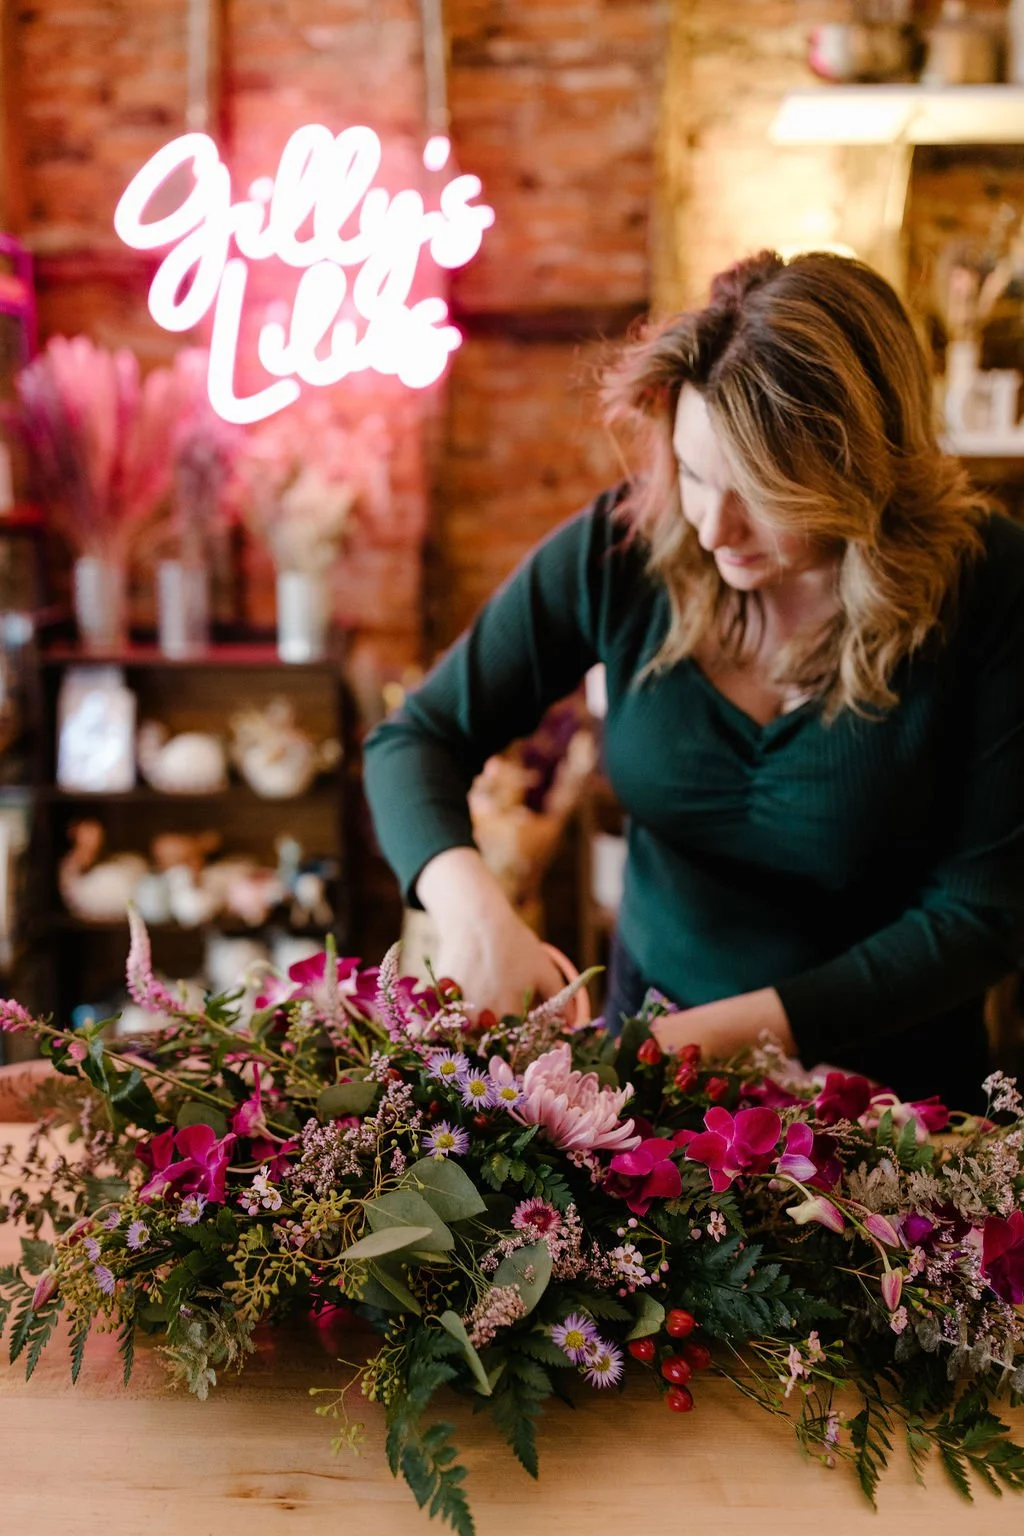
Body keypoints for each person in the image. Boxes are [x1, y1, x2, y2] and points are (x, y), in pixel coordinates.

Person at [363, 249, 1024, 1108]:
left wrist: (692, 1040)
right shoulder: (625, 549)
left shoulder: (990, 588)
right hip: (652, 1080)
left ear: (863, 474)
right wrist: (474, 910)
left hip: (892, 1106)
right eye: (696, 471)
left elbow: (981, 917)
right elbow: (417, 738)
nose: (712, 526)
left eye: (759, 491)